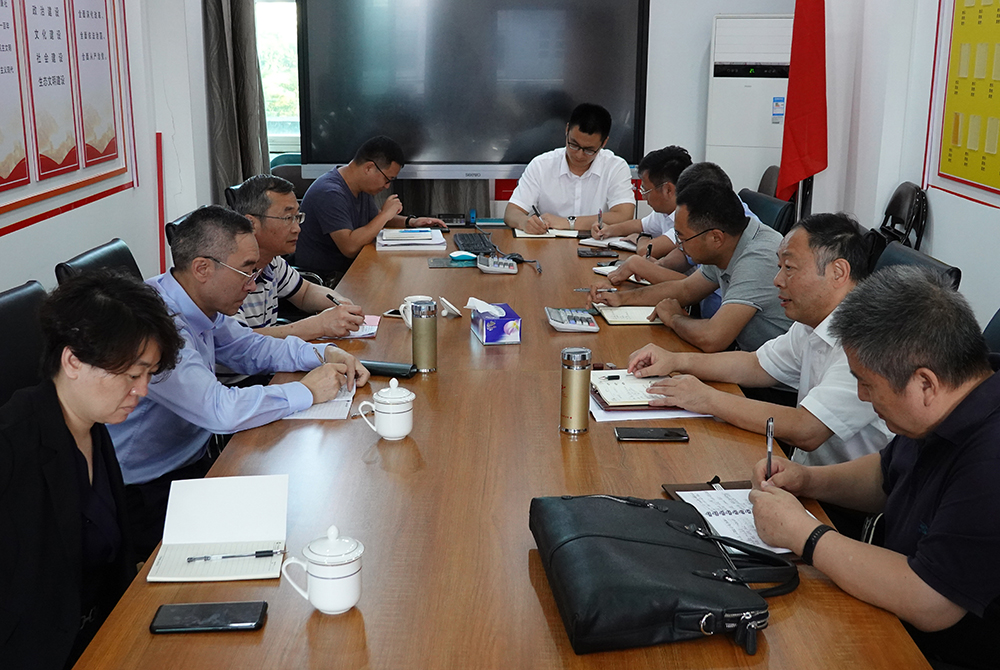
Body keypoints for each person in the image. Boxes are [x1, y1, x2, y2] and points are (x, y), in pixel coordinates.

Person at [749, 266, 1000, 670]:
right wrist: (807, 480)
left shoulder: (990, 458)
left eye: (867, 383)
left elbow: (930, 600)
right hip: (892, 613)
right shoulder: (949, 401)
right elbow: (886, 475)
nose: (862, 396)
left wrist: (802, 533)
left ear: (925, 384)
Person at [108, 206, 369, 559]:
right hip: (147, 490)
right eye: (246, 271)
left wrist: (322, 353)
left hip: (196, 459)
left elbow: (250, 347)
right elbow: (220, 410)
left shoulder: (199, 301)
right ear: (202, 268)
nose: (253, 284)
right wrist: (307, 391)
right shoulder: (157, 324)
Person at [0, 270, 183, 669]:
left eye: (148, 375)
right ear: (73, 361)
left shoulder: (92, 426)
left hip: (108, 632)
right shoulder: (12, 446)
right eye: (132, 375)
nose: (142, 390)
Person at [627, 213, 892, 467]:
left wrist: (707, 399)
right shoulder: (813, 321)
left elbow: (807, 429)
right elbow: (755, 365)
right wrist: (676, 360)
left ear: (838, 272)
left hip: (840, 494)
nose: (777, 280)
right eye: (779, 268)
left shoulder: (868, 339)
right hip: (801, 474)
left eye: (789, 268)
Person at [590, 180, 791, 352]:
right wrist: (621, 298)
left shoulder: (758, 258)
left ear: (715, 238)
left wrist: (674, 318)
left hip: (775, 380)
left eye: (682, 237)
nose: (679, 245)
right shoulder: (728, 242)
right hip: (748, 358)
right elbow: (686, 289)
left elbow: (713, 338)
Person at [228, 174, 365, 340]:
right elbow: (239, 342)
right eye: (287, 218)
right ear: (251, 223)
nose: (297, 228)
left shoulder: (272, 261)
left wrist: (340, 302)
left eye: (297, 217)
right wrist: (319, 325)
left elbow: (305, 292)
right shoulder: (228, 272)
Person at [297, 136, 446, 284]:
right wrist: (386, 214)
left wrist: (412, 222)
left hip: (352, 269)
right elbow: (350, 248)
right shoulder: (329, 193)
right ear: (369, 168)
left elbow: (374, 220)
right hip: (327, 280)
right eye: (387, 179)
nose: (387, 186)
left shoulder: (359, 186)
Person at [504, 103, 635, 234]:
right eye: (573, 145)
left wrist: (568, 223)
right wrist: (525, 222)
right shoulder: (541, 165)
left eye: (589, 150)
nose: (579, 155)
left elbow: (624, 215)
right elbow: (512, 212)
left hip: (596, 244)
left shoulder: (615, 167)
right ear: (567, 130)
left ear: (604, 143)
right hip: (548, 244)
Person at [589, 145, 692, 264]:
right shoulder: (666, 212)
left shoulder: (689, 219)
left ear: (668, 190)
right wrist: (608, 230)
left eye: (646, 190)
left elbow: (646, 250)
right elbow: (640, 225)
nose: (643, 196)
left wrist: (640, 238)